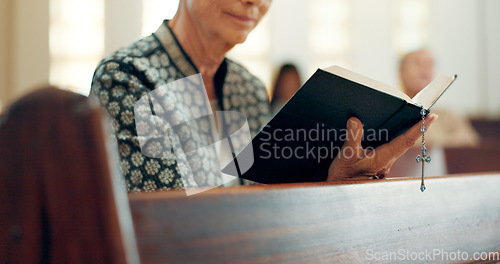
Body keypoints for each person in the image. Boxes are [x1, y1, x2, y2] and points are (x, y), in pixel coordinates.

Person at [91, 0, 437, 192]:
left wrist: (335, 180)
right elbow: (166, 216)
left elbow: (269, 201)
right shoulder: (128, 78)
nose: (254, 1)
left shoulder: (247, 88)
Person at [399, 48, 479, 147]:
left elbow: (470, 141)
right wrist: (450, 140)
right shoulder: (392, 115)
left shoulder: (448, 115)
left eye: (429, 64)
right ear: (402, 71)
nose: (424, 68)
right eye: (417, 63)